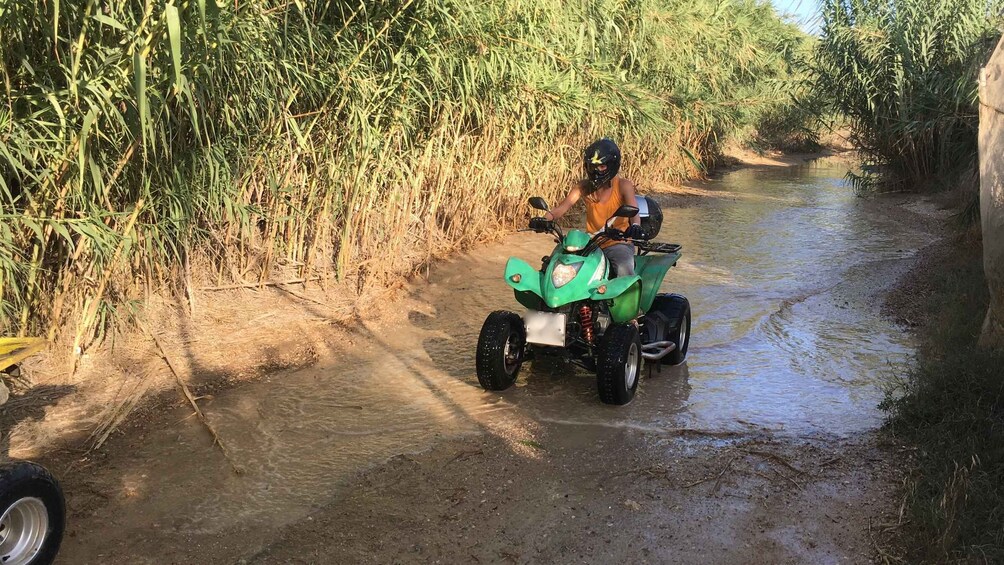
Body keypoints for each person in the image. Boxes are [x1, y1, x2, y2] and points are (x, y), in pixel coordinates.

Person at [535, 138, 644, 277]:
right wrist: (543, 220)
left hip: (617, 243)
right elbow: (561, 208)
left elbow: (634, 212)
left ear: (611, 165)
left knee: (624, 271)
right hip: (590, 243)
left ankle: (628, 297)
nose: (596, 171)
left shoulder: (623, 185)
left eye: (601, 166)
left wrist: (635, 226)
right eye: (591, 166)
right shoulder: (583, 187)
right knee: (552, 264)